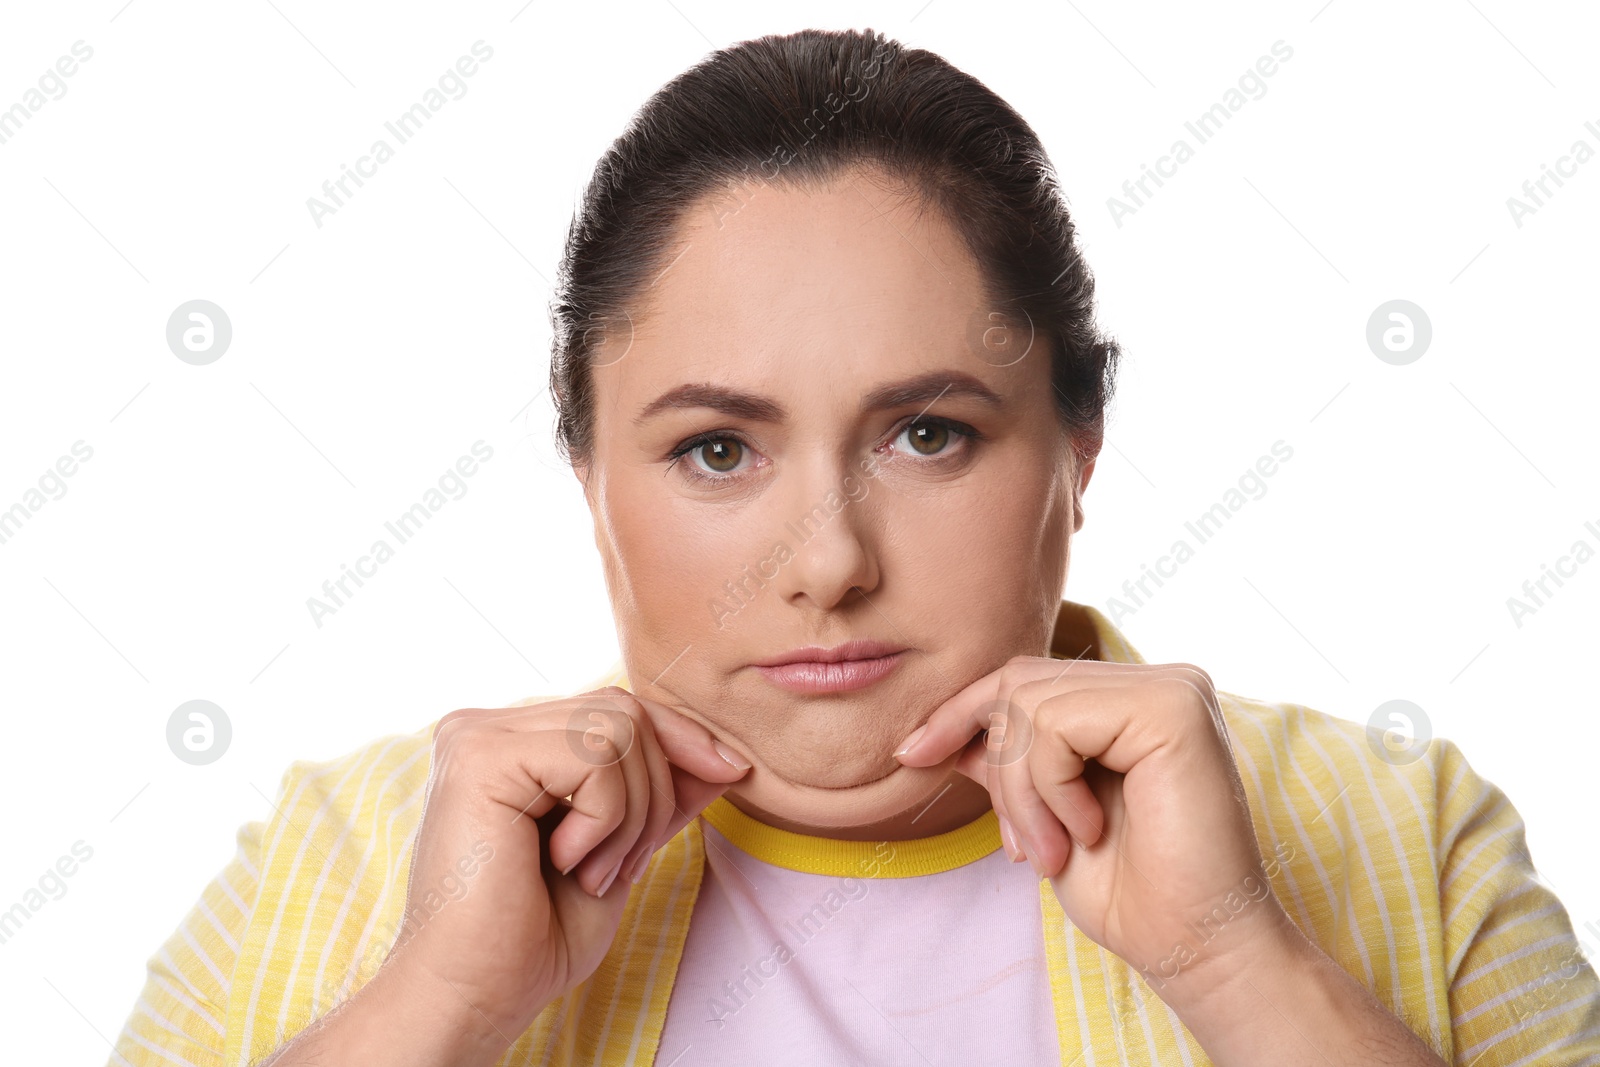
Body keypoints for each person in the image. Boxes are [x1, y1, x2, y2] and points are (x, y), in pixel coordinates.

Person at [107, 27, 1599, 1067]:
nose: (826, 562)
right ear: (585, 474)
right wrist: (434, 1003)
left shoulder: (1409, 835)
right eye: (715, 450)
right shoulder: (335, 863)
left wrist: (1233, 961)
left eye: (928, 433)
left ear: (1077, 450)